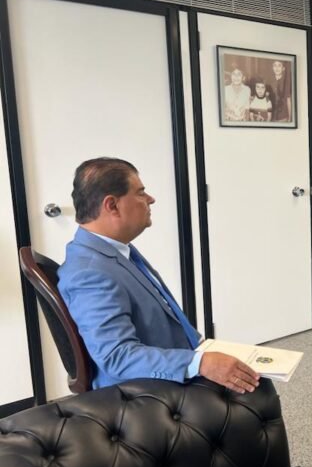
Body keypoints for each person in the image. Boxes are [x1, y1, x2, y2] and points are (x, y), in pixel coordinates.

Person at [58, 157, 260, 392]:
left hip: (170, 363)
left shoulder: (113, 251)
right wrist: (200, 363)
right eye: (140, 193)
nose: (151, 199)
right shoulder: (89, 273)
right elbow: (117, 357)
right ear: (112, 205)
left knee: (257, 378)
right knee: (256, 391)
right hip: (144, 392)